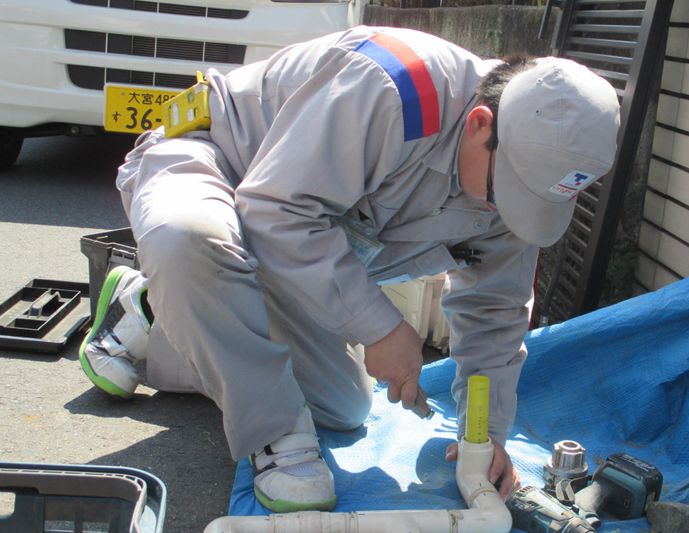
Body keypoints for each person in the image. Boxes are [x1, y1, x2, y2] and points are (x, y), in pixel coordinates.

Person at [78, 25, 620, 513]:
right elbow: (274, 210)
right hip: (214, 159)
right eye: (509, 193)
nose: (508, 215)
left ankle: (153, 310)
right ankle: (271, 429)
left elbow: (495, 314)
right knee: (188, 237)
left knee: (344, 408)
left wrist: (487, 434)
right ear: (480, 126)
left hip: (285, 249)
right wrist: (380, 328)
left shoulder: (518, 177)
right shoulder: (395, 88)